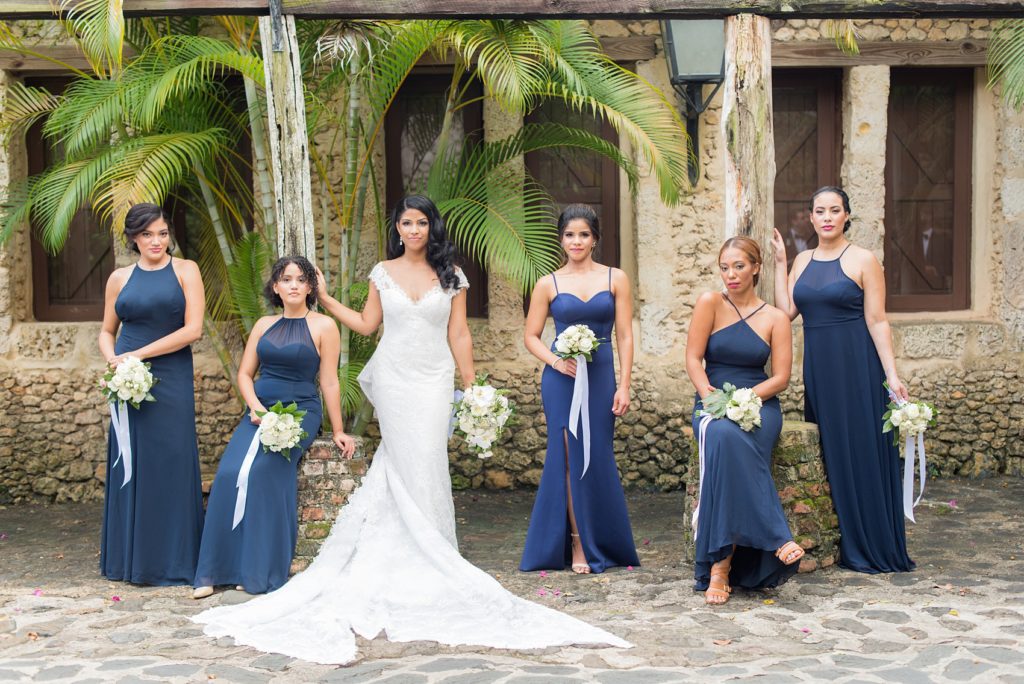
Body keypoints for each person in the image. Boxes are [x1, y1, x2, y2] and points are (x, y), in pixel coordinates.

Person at [193, 195, 629, 664]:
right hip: (396, 377)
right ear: (397, 228)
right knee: (403, 459)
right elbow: (366, 325)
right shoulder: (382, 271)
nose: (415, 230)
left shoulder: (451, 275)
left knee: (429, 461)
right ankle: (405, 551)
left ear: (431, 227)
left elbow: (459, 333)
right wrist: (324, 297)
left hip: (435, 378)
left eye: (422, 222)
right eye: (407, 222)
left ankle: (435, 550)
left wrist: (471, 385)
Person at [192, 257, 356, 599]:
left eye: (301, 279)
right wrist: (255, 408)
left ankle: (255, 570)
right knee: (229, 474)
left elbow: (328, 381)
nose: (294, 284)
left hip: (299, 413)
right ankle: (214, 569)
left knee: (265, 471)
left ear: (310, 287)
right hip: (258, 411)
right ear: (276, 287)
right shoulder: (264, 324)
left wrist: (338, 429)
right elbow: (244, 374)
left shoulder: (324, 326)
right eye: (286, 279)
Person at [771, 186, 915, 574]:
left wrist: (892, 376)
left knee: (863, 450)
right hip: (819, 369)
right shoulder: (802, 260)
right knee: (831, 451)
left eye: (835, 210)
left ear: (847, 215)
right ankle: (840, 536)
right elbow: (785, 313)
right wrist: (781, 261)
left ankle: (872, 542)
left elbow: (877, 320)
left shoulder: (864, 259)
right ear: (812, 217)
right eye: (820, 211)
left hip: (857, 367)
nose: (828, 217)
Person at [520, 204, 639, 575]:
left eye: (584, 234)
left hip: (601, 376)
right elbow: (531, 336)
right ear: (561, 239)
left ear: (595, 239)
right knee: (569, 455)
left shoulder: (615, 278)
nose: (576, 241)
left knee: (598, 455)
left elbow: (624, 334)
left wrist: (625, 384)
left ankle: (604, 538)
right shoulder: (548, 283)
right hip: (562, 378)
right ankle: (577, 543)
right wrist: (556, 362)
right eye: (570, 234)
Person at [685, 236, 804, 605]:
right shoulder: (710, 302)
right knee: (721, 434)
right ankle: (773, 537)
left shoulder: (776, 318)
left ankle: (721, 569)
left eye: (739, 266)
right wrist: (710, 397)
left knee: (731, 440)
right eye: (724, 267)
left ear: (756, 268)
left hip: (760, 404)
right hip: (712, 399)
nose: (731, 274)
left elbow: (781, 377)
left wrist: (749, 398)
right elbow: (693, 358)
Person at [98, 203, 204, 585]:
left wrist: (137, 356)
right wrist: (115, 362)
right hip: (127, 379)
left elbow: (193, 330)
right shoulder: (119, 278)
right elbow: (106, 330)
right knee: (132, 462)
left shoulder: (186, 270)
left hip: (170, 375)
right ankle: (131, 561)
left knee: (171, 460)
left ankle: (175, 562)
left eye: (161, 233)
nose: (156, 241)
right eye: (147, 235)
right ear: (133, 239)